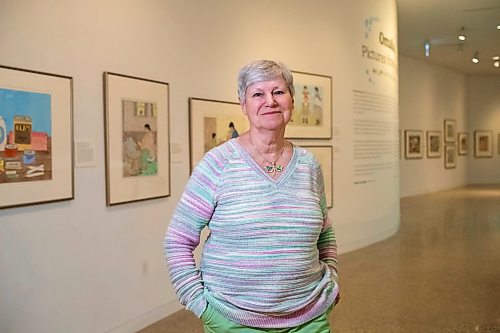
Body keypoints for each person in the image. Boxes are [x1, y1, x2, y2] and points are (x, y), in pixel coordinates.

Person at [164, 60, 339, 332]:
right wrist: (200, 304)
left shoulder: (309, 165)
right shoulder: (217, 164)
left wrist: (332, 278)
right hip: (234, 319)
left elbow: (324, 230)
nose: (270, 101)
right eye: (258, 94)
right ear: (243, 105)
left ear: (292, 100)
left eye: (278, 92)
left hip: (309, 316)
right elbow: (177, 239)